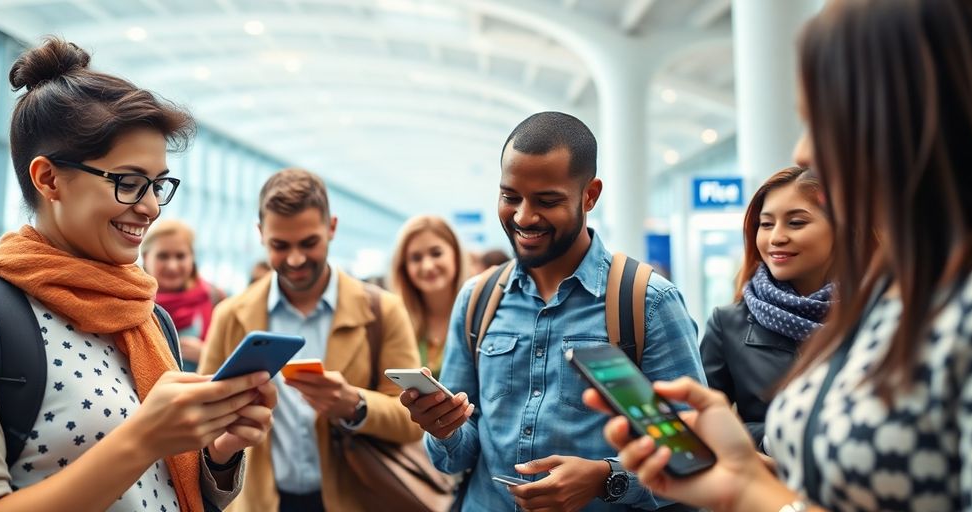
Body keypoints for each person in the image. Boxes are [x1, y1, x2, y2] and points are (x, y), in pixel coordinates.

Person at [587, 0, 972, 510]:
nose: (803, 153)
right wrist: (746, 483)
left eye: (825, 121)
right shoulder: (897, 291)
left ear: (913, 113)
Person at [0, 38, 276, 512]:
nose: (149, 207)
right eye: (128, 183)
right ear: (48, 179)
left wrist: (217, 451)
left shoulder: (146, 316)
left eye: (159, 184)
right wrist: (145, 437)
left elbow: (159, 489)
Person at [400, 111, 706, 511]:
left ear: (590, 195)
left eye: (547, 201)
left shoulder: (647, 303)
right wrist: (441, 429)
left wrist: (606, 477)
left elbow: (690, 458)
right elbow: (456, 457)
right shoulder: (478, 299)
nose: (524, 217)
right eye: (510, 197)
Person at [198, 168, 422, 512]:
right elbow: (202, 417)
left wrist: (355, 406)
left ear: (331, 228)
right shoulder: (232, 315)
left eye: (309, 243)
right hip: (261, 502)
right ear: (260, 235)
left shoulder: (383, 310)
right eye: (280, 245)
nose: (296, 259)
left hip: (356, 499)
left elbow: (413, 420)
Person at [699, 166, 833, 450]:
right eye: (767, 224)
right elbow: (701, 427)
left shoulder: (879, 314)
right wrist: (772, 440)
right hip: (768, 489)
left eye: (796, 223)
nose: (776, 238)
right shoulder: (728, 324)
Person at [389, 215, 467, 379]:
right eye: (416, 258)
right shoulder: (395, 319)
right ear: (404, 267)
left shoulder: (480, 314)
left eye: (436, 253)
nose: (427, 266)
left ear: (456, 255)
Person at [142, 219, 226, 371]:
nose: (172, 266)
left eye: (180, 256)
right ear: (146, 257)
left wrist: (208, 355)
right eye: (163, 256)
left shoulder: (215, 298)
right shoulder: (132, 303)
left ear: (192, 258)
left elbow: (238, 361)